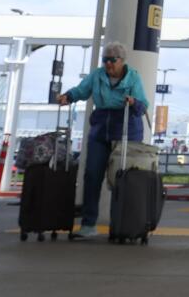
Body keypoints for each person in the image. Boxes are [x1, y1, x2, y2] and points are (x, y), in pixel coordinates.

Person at [58, 41, 148, 240]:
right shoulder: (97, 75)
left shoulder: (133, 77)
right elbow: (82, 90)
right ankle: (89, 224)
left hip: (126, 131)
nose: (108, 64)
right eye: (105, 60)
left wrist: (134, 102)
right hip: (100, 130)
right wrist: (68, 97)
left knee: (123, 180)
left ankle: (122, 225)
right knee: (92, 175)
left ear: (122, 61)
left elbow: (143, 105)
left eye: (112, 60)